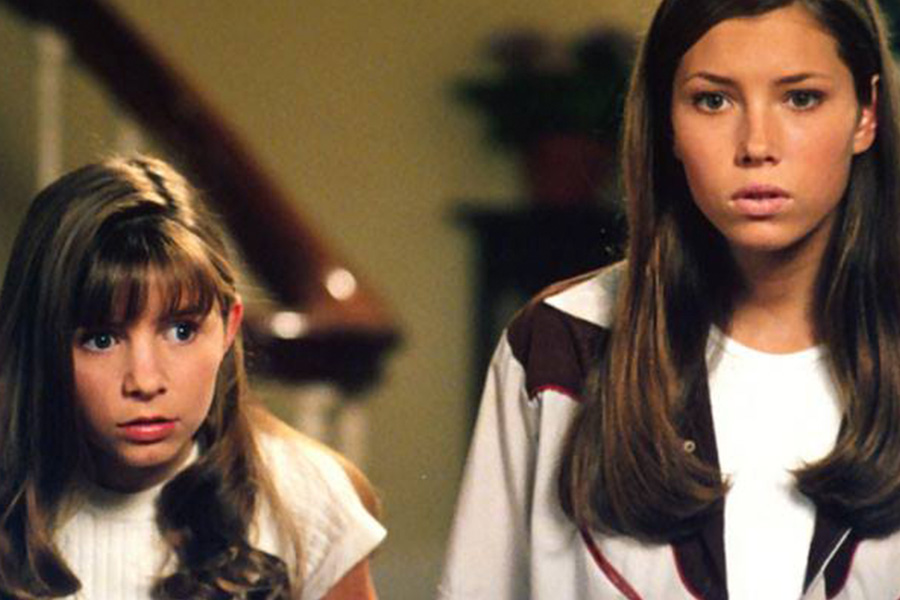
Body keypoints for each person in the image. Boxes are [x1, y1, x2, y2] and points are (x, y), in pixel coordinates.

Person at [439, 0, 900, 598]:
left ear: (866, 113)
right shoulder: (561, 347)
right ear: (667, 121)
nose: (756, 145)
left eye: (800, 98)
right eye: (713, 100)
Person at [0, 156, 386, 599]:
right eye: (101, 339)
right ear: (41, 341)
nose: (145, 381)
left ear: (229, 327)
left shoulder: (306, 497)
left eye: (181, 331)